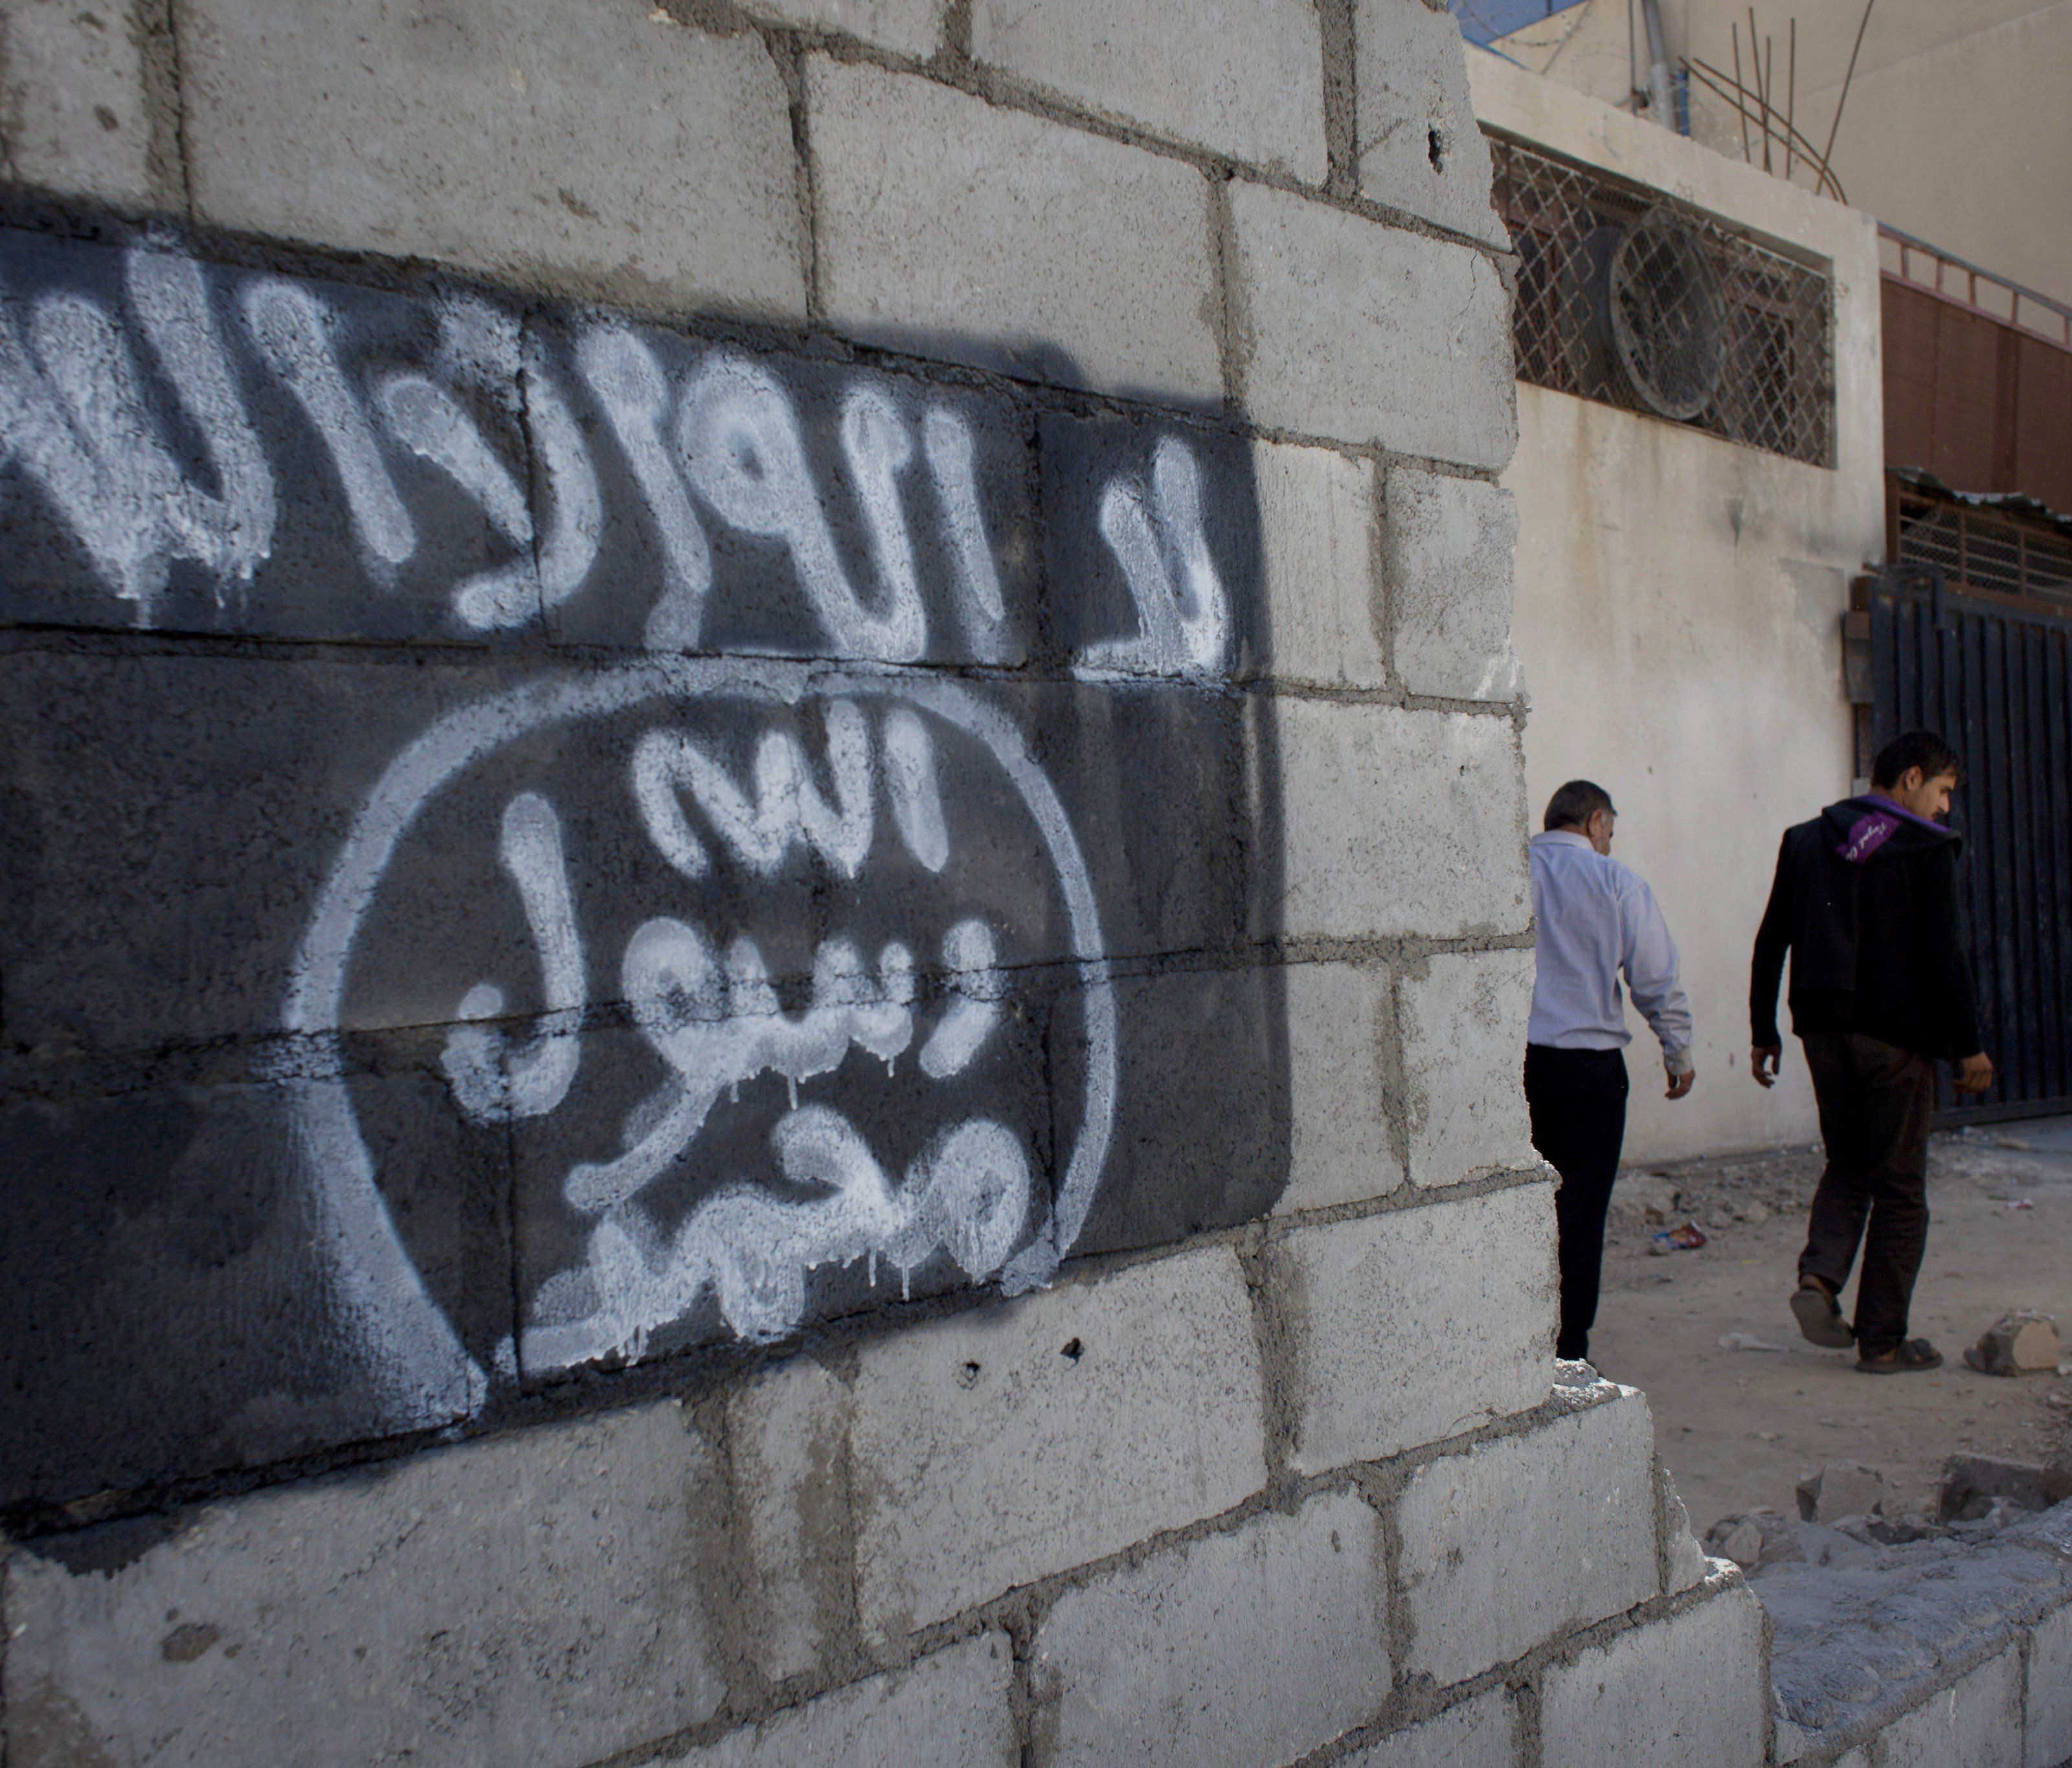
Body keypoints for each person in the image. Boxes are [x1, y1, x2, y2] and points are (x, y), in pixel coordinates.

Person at [1750, 730, 1994, 1374]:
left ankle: (1819, 1280)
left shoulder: (1805, 839)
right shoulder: (1925, 848)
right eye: (1941, 791)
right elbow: (1948, 955)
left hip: (1820, 1034)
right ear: (1909, 779)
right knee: (1899, 1190)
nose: (1944, 808)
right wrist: (1968, 1047)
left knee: (1847, 1162)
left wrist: (1762, 1031)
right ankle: (1881, 1341)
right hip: (1894, 1043)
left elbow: (1771, 938)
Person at [1525, 780, 1696, 1363]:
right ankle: (1568, 1348)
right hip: (1590, 1074)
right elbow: (1654, 977)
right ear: (1596, 822)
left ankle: (1510, 1340)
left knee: (1517, 1207)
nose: (1609, 844)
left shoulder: (1506, 873)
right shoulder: (1617, 882)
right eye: (1611, 834)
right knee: (1580, 1211)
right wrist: (1678, 1049)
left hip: (1514, 1072)